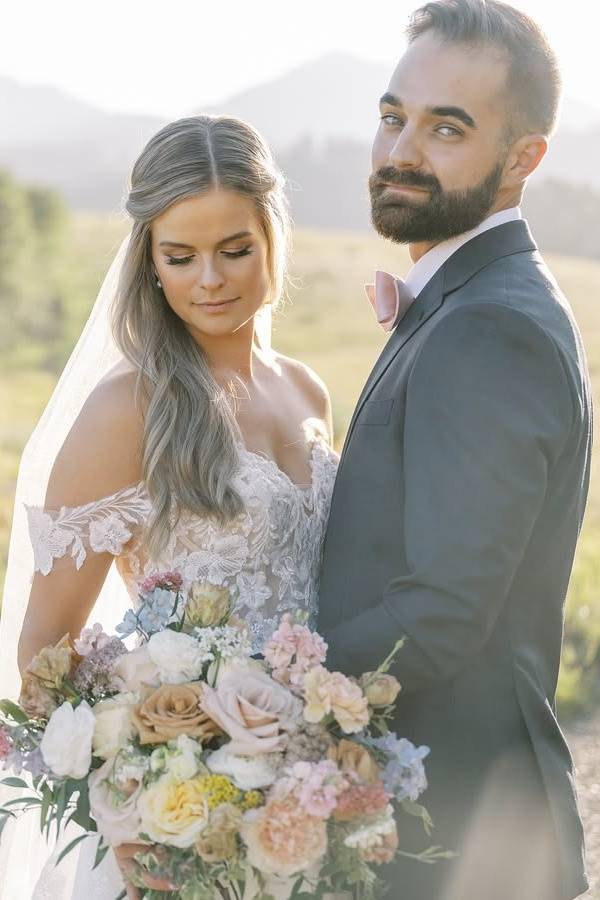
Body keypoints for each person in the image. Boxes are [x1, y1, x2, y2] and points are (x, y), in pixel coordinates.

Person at [0, 115, 338, 899]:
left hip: (307, 798)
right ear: (148, 261)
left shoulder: (309, 390)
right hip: (180, 828)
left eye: (235, 249)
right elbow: (44, 651)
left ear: (272, 235)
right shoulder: (130, 408)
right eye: (179, 257)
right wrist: (149, 798)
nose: (209, 279)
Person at [317, 2, 591, 899]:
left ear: (524, 158)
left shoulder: (492, 326)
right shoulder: (468, 296)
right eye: (394, 116)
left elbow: (441, 609)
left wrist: (255, 686)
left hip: (468, 841)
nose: (401, 151)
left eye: (446, 129)